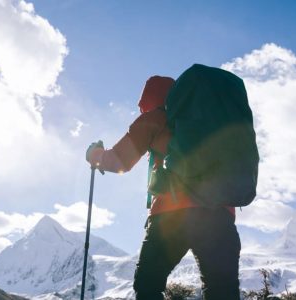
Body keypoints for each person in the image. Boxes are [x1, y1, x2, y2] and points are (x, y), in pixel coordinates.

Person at [85, 76, 241, 300]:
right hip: (220, 217)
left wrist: (94, 155)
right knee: (222, 292)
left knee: (148, 286)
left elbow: (119, 161)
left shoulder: (157, 118)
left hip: (172, 216)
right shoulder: (212, 122)